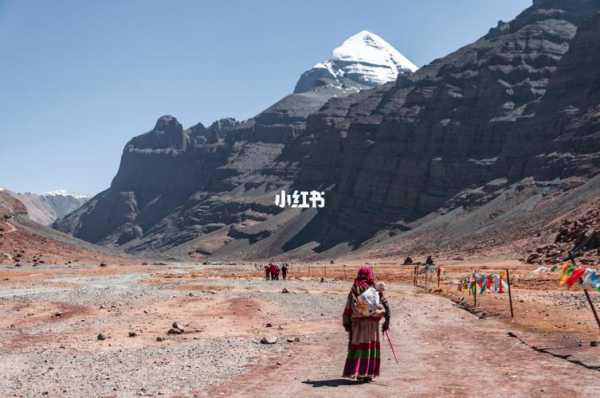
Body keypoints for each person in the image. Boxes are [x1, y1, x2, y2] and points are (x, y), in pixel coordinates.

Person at [342, 266, 390, 383]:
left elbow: (349, 308)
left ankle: (359, 373)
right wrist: (386, 320)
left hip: (358, 325)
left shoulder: (355, 288)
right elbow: (386, 306)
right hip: (372, 325)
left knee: (359, 347)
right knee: (370, 347)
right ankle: (369, 373)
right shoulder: (374, 288)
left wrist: (347, 323)